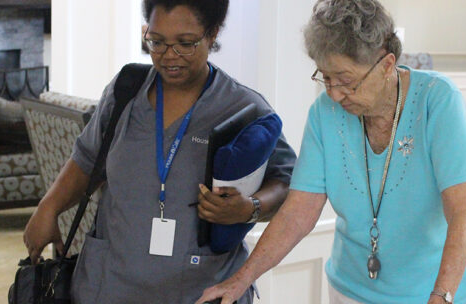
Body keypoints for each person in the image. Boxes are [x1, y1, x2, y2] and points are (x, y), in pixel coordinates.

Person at [197, 0, 466, 303]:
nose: (335, 93)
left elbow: (461, 212)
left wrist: (441, 296)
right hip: (354, 288)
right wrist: (241, 280)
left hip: (445, 286)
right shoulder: (324, 113)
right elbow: (298, 212)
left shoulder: (438, 102)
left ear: (387, 65)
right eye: (326, 77)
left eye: (347, 81)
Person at [22, 0, 296, 303]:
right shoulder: (125, 91)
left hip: (200, 288)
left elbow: (289, 184)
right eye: (156, 41)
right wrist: (48, 208)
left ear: (213, 33)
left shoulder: (244, 108)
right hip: (110, 284)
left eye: (186, 43)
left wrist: (250, 207)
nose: (169, 56)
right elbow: (87, 159)